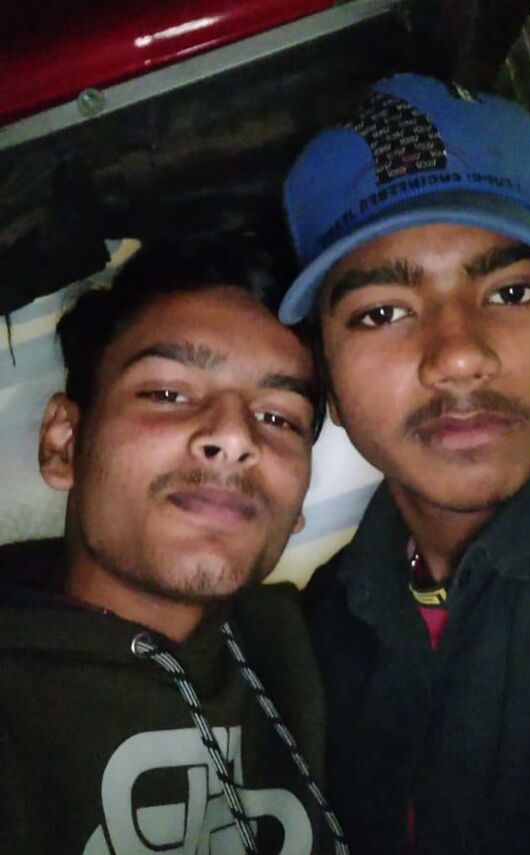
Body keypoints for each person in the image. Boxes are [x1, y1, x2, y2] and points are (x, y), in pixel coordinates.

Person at [277, 74, 530, 854]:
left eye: (511, 293)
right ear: (327, 379)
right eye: (382, 311)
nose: (459, 356)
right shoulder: (324, 625)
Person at [0, 236, 348, 855]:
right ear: (64, 443)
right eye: (168, 394)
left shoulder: (326, 639)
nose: (234, 438)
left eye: (279, 418)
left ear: (296, 504)